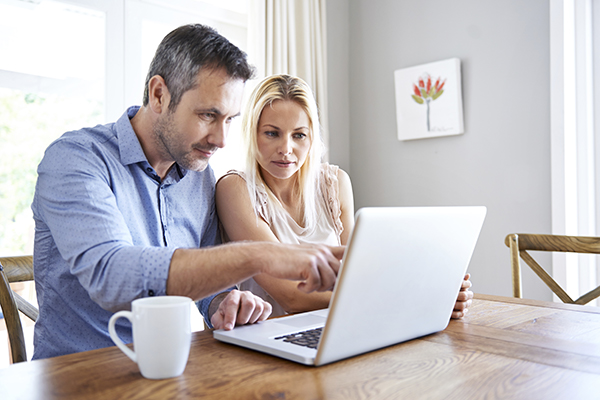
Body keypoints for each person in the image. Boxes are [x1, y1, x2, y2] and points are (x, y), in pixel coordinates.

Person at [30, 24, 343, 360]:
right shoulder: (76, 159)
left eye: (228, 120)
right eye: (208, 115)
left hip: (173, 368)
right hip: (79, 374)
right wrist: (261, 255)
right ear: (159, 94)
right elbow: (110, 274)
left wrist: (225, 303)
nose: (221, 140)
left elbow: (210, 285)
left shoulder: (199, 176)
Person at [216, 74, 474, 318]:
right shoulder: (235, 189)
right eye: (272, 133)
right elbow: (291, 297)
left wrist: (434, 291)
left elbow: (357, 273)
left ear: (312, 137)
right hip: (266, 341)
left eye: (299, 135)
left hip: (336, 326)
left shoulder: (334, 183)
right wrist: (409, 299)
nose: (286, 149)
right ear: (252, 133)